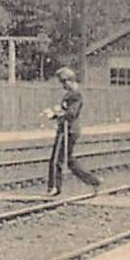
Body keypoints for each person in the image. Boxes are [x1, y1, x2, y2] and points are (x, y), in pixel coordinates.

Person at [45, 66, 100, 195]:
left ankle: (54, 187)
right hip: (68, 129)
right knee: (68, 160)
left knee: (56, 159)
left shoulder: (76, 95)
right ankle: (93, 180)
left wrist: (55, 115)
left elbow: (71, 113)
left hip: (68, 130)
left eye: (63, 82)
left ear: (69, 80)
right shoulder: (70, 94)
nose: (63, 85)